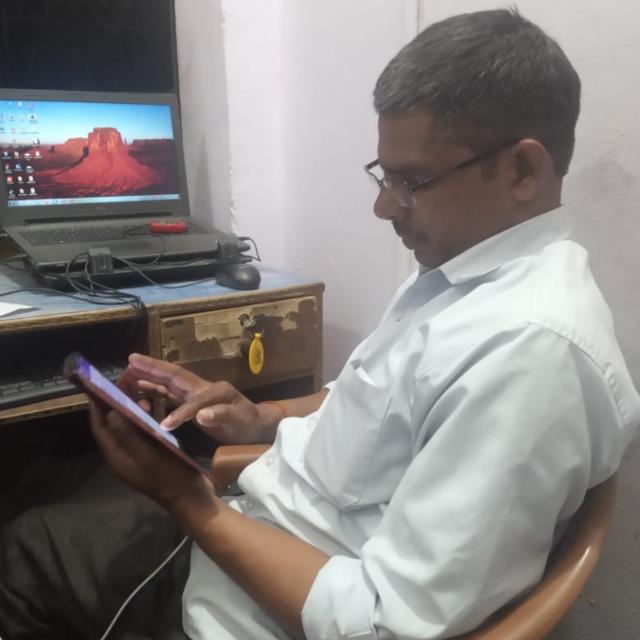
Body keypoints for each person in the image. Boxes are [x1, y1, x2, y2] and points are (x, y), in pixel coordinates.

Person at [1, 8, 639, 640]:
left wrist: (190, 505)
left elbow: (384, 624)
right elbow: (379, 400)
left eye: (412, 181)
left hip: (242, 607)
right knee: (58, 483)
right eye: (384, 175)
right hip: (254, 518)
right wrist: (262, 417)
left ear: (522, 170)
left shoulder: (528, 355)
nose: (384, 206)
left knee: (24, 550)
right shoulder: (460, 275)